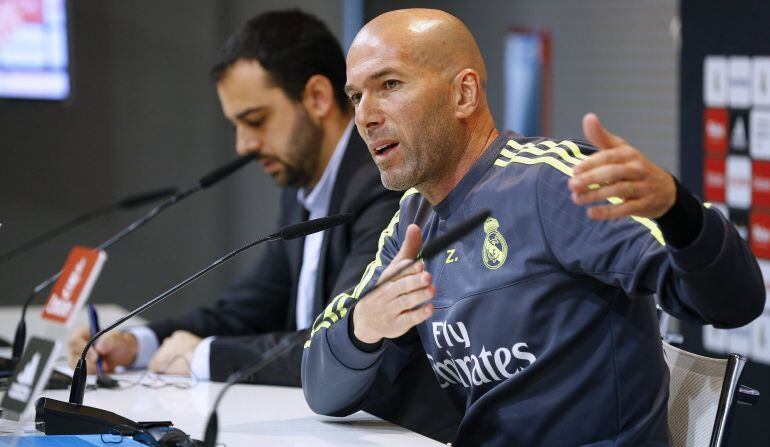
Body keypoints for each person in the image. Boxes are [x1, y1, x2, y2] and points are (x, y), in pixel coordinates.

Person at [301, 8, 766, 446]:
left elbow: (736, 301)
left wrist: (680, 212)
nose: (365, 115)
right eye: (357, 96)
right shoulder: (410, 221)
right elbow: (322, 389)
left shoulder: (553, 184)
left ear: (463, 94)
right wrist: (363, 326)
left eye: (389, 84)